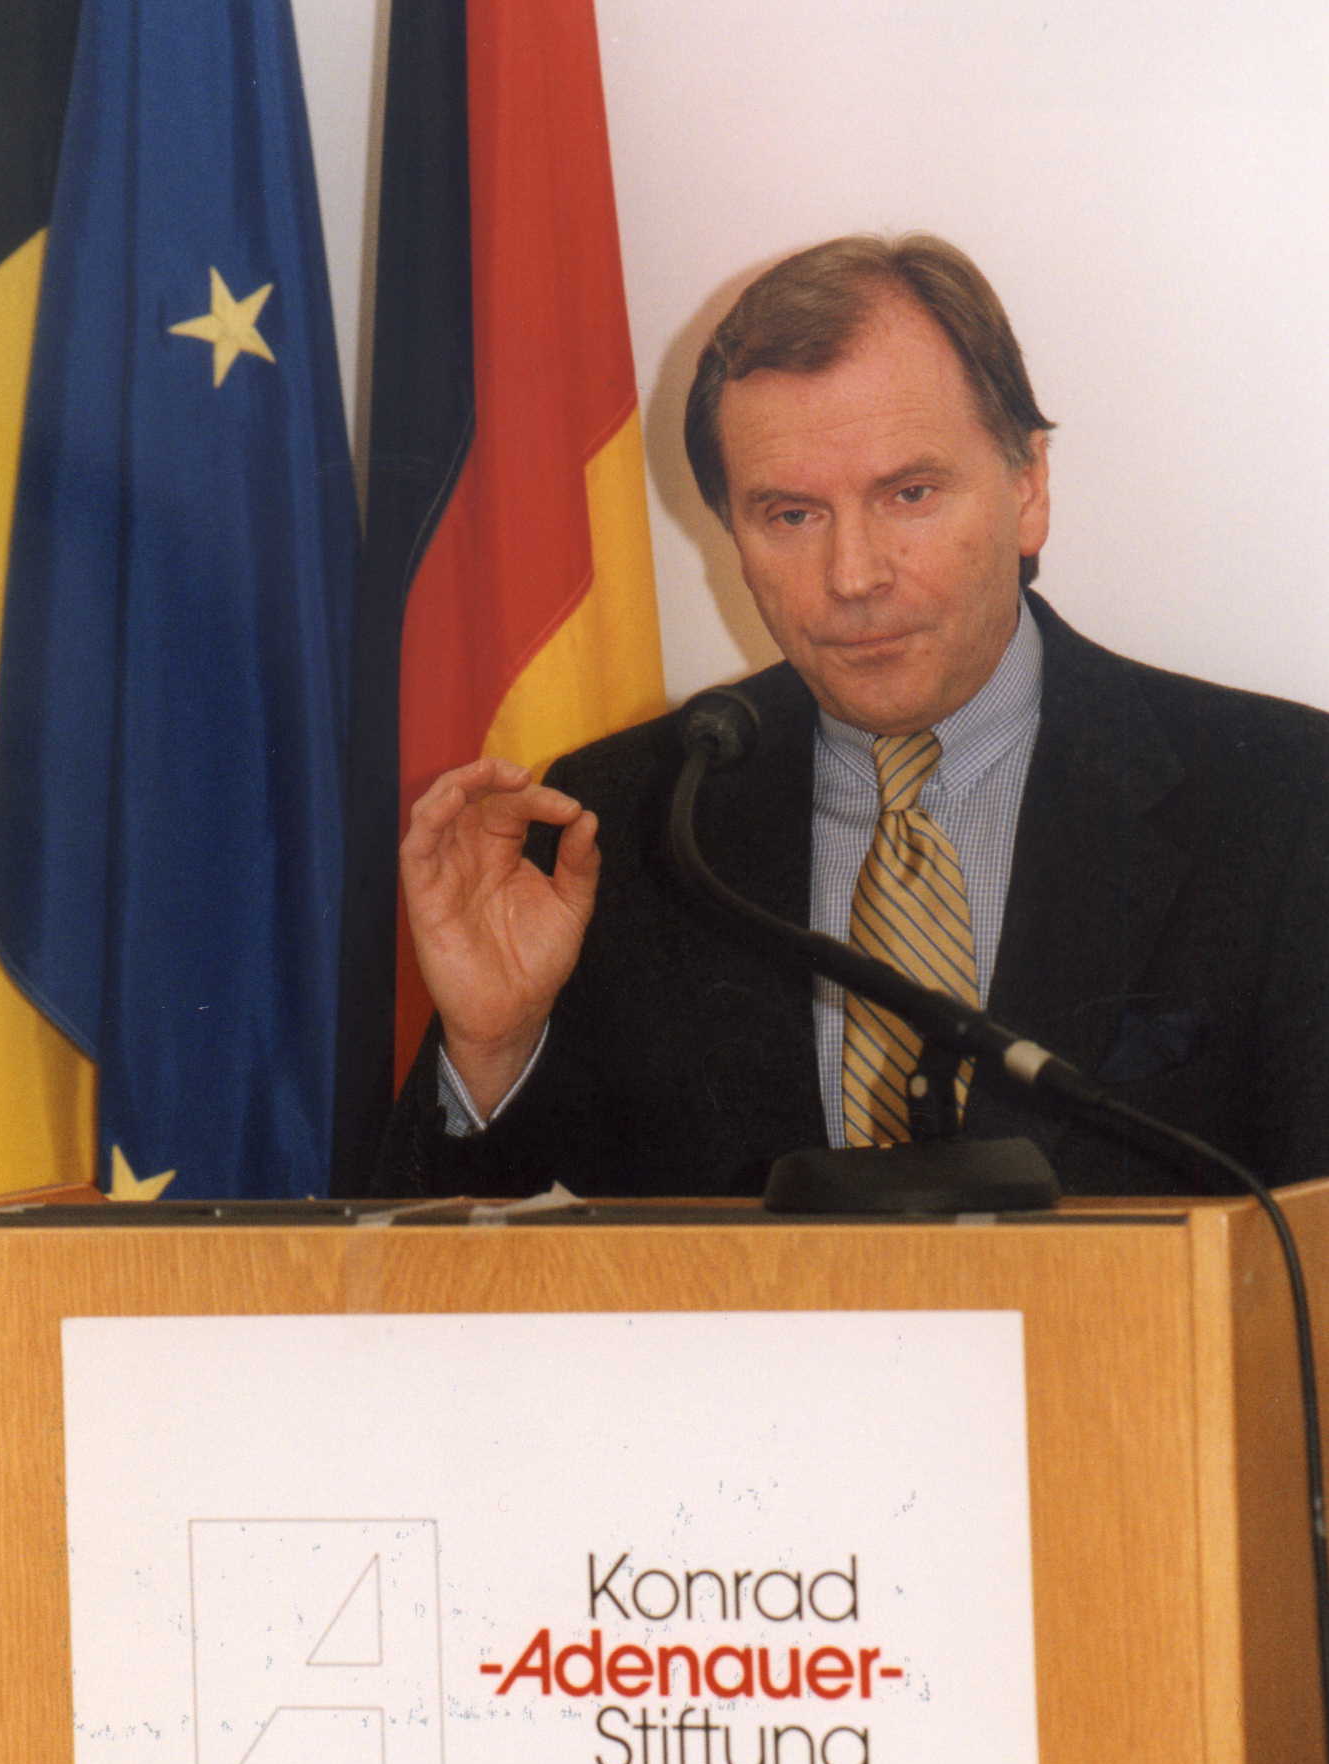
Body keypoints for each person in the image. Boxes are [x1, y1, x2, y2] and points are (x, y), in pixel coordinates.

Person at [375, 233, 1329, 1199]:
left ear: (1027, 488)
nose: (853, 576)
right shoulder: (621, 819)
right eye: (791, 515)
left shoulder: (1285, 804)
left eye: (908, 494)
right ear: (731, 534)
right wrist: (494, 1051)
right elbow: (486, 1304)